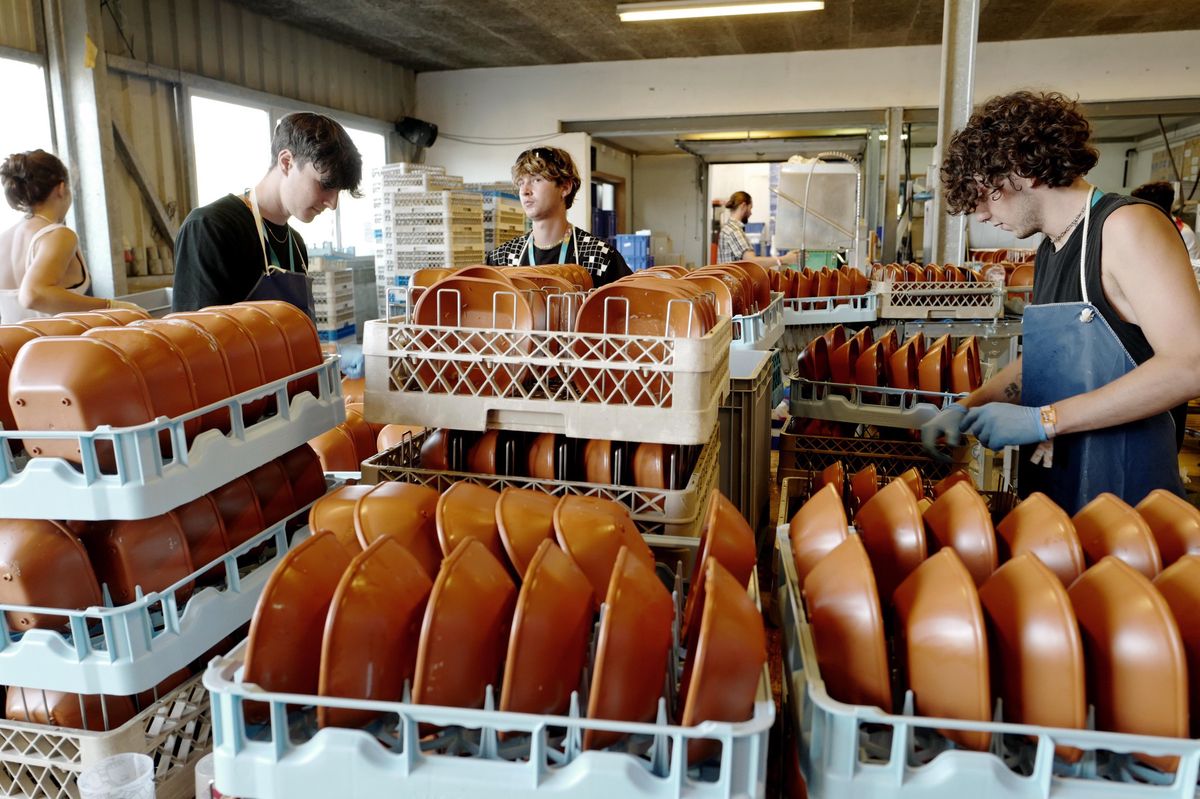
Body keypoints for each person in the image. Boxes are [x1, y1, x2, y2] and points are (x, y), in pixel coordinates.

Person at [922, 90, 1200, 514]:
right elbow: (1051, 357)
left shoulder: (1126, 226)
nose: (978, 213)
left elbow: (1190, 365)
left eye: (985, 193)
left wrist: (1042, 419)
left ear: (1022, 170)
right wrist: (969, 405)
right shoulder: (1053, 245)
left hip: (1125, 499)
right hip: (1062, 487)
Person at [172, 112, 363, 315]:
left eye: (338, 191)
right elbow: (196, 339)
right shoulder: (210, 228)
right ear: (287, 162)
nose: (332, 204)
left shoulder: (295, 245)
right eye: (325, 185)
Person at [0, 150, 140, 322]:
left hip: (12, 349)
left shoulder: (3, 240)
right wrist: (110, 306)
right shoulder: (58, 235)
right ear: (61, 188)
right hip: (56, 346)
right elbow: (33, 294)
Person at [485, 147, 631, 287]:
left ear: (565, 187)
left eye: (536, 180)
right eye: (521, 182)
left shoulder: (600, 258)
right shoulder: (502, 259)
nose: (524, 191)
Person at [716, 191, 800, 267]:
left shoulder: (729, 227)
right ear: (744, 206)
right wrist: (784, 259)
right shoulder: (734, 230)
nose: (751, 213)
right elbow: (751, 261)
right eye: (750, 208)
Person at [1131, 181, 1200, 261]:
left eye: (1138, 208)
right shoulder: (1136, 229)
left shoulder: (1183, 234)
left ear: (1154, 210)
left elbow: (1193, 271)